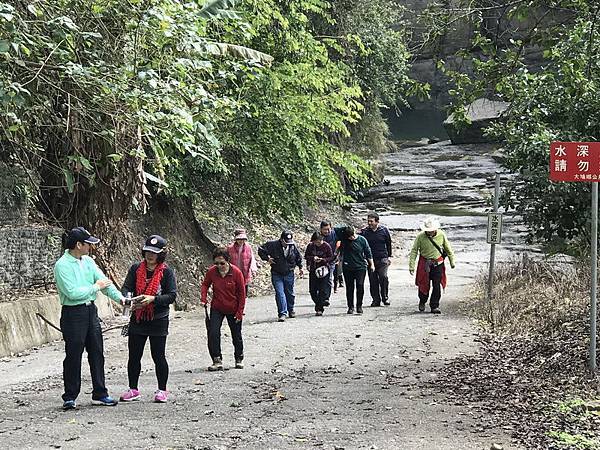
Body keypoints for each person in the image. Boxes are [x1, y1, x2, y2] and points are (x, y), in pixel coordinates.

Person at [53, 226, 125, 410]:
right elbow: (71, 292)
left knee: (97, 352)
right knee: (73, 355)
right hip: (72, 314)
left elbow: (105, 283)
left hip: (90, 312)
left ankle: (100, 393)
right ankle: (70, 396)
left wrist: (122, 299)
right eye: (88, 244)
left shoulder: (89, 262)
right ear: (78, 244)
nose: (90, 247)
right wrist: (95, 287)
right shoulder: (62, 265)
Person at [119, 235, 177, 403]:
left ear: (161, 254)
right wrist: (128, 300)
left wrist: (153, 299)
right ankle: (133, 389)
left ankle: (162, 390)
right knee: (134, 355)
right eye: (148, 251)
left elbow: (171, 295)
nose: (150, 255)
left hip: (158, 318)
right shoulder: (135, 269)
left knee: (158, 355)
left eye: (154, 252)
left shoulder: (166, 272)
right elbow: (127, 287)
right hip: (138, 317)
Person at [201, 247, 246, 371]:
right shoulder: (212, 272)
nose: (219, 266)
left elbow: (242, 294)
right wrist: (203, 298)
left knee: (236, 334)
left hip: (233, 307)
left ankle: (239, 358)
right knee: (213, 333)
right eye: (216, 263)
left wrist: (240, 312)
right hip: (217, 307)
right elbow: (205, 284)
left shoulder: (236, 273)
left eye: (222, 263)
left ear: (228, 261)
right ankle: (217, 359)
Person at [408, 217, 456, 314]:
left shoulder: (441, 235)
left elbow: (448, 249)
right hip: (424, 263)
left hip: (438, 263)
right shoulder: (420, 236)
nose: (429, 232)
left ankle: (435, 306)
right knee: (423, 284)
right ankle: (422, 301)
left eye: (431, 230)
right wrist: (411, 266)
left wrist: (452, 262)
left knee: (436, 285)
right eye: (427, 230)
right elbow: (414, 251)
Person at [258, 230, 304, 322]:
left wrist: (300, 267)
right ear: (282, 240)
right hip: (276, 272)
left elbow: (298, 257)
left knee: (289, 293)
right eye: (286, 242)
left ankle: (290, 309)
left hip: (289, 272)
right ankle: (282, 313)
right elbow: (261, 249)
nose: (287, 244)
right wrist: (267, 258)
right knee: (280, 293)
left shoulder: (293, 246)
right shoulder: (272, 245)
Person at [337, 226, 374, 315]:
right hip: (347, 267)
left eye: (352, 235)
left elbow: (368, 252)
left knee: (360, 285)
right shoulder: (344, 241)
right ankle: (350, 306)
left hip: (360, 267)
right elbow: (336, 231)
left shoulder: (362, 240)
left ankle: (359, 306)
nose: (351, 238)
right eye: (349, 237)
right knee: (349, 288)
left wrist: (371, 264)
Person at [360, 213, 393, 307]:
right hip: (370, 259)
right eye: (368, 221)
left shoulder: (384, 230)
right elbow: (361, 245)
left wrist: (389, 256)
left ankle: (385, 297)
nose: (369, 223)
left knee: (383, 277)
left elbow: (388, 243)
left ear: (377, 221)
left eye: (371, 221)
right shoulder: (365, 232)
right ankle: (376, 299)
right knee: (373, 280)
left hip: (382, 258)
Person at [304, 232, 334, 316]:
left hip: (324, 270)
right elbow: (306, 256)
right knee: (312, 290)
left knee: (322, 289)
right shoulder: (310, 246)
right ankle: (319, 302)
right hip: (313, 270)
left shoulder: (326, 246)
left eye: (319, 241)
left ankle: (319, 308)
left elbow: (331, 258)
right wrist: (312, 259)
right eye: (316, 242)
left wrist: (323, 260)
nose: (318, 243)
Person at [226, 228, 257, 298]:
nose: (241, 241)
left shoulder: (248, 248)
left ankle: (241, 307)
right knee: (233, 293)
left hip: (244, 274)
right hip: (233, 274)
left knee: (243, 294)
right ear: (236, 239)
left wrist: (253, 269)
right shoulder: (230, 248)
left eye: (243, 239)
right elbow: (226, 260)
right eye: (239, 239)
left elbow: (252, 259)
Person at [319, 221, 343, 292]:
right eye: (325, 229)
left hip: (333, 259)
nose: (327, 231)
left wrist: (338, 254)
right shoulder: (318, 236)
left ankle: (327, 295)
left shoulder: (334, 234)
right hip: (321, 260)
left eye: (329, 229)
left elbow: (341, 242)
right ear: (321, 229)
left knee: (330, 277)